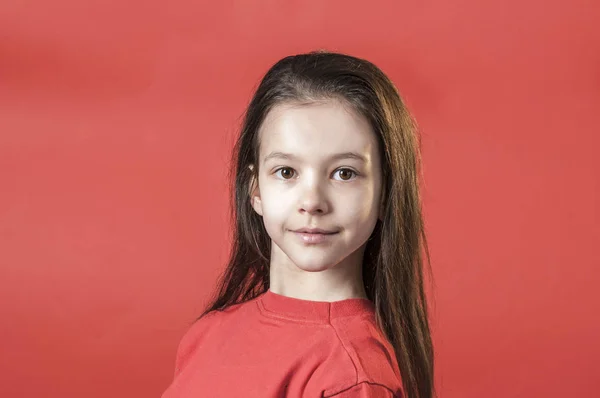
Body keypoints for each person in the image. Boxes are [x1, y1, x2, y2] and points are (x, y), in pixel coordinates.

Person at [161, 50, 434, 398]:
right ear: (255, 189)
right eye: (286, 172)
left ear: (385, 194)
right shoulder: (207, 334)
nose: (312, 202)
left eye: (344, 173)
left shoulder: (351, 375)